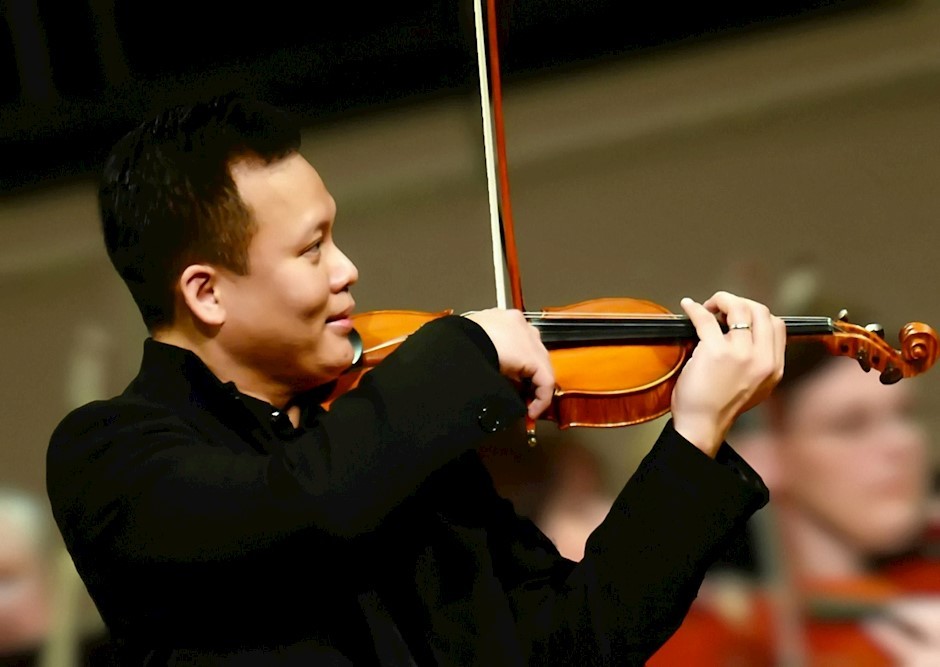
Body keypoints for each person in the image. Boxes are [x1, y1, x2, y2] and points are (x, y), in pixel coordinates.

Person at [46, 94, 786, 666]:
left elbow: (574, 639)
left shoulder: (396, 436)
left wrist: (694, 435)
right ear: (206, 293)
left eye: (334, 235)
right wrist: (461, 344)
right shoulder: (109, 455)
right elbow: (303, 502)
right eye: (311, 251)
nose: (347, 271)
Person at [649, 302, 940, 666]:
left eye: (904, 414)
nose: (902, 443)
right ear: (761, 455)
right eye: (851, 424)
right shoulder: (719, 637)